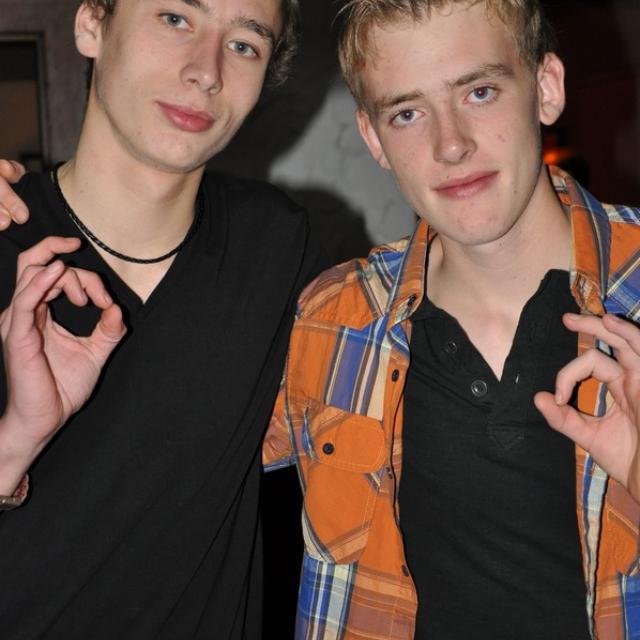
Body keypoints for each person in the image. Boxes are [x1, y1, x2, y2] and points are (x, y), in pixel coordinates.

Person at [260, 0, 640, 638]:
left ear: (546, 88)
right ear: (374, 139)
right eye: (407, 113)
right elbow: (168, 481)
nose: (451, 144)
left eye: (480, 92)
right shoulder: (330, 321)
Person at [0, 0, 324, 638]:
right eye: (175, 18)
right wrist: (17, 438)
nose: (207, 71)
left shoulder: (277, 248)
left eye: (244, 45)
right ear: (92, 24)